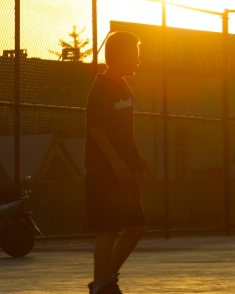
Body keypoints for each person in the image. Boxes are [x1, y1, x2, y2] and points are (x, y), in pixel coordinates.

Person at [84, 31, 149, 294]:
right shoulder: (100, 88)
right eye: (135, 55)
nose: (138, 60)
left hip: (124, 171)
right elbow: (96, 128)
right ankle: (101, 285)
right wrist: (114, 161)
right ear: (121, 56)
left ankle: (106, 278)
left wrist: (135, 155)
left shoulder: (124, 86)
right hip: (103, 172)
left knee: (136, 226)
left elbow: (123, 129)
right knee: (107, 230)